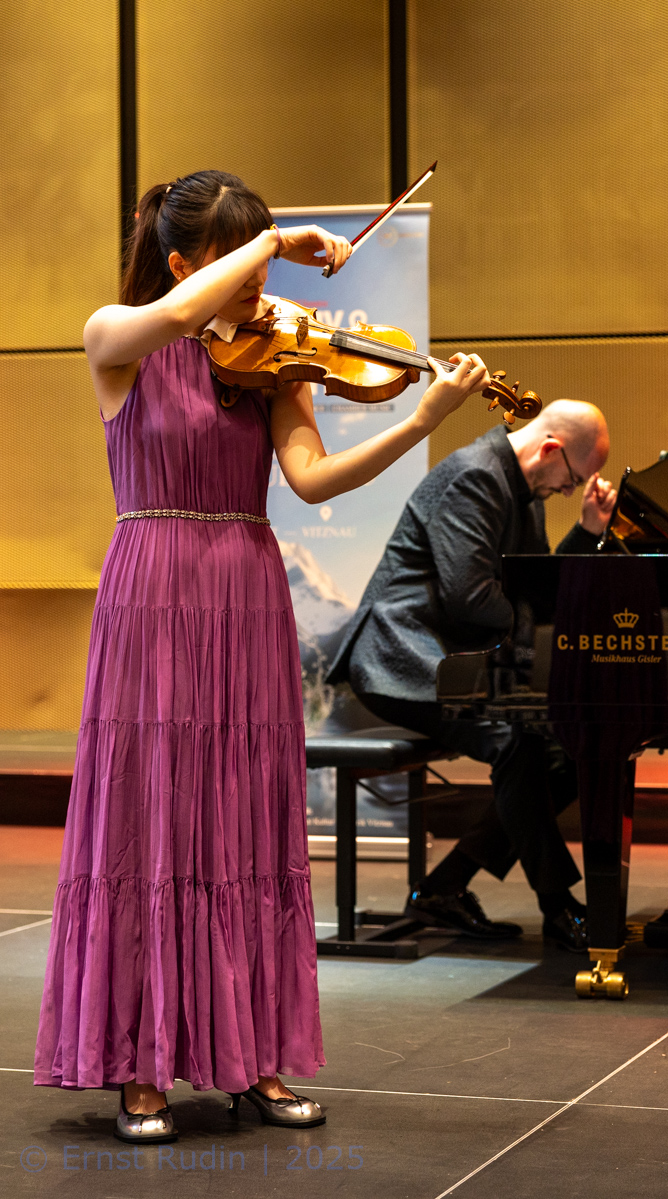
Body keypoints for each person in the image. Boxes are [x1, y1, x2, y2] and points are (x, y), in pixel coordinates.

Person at [32, 170, 492, 1145]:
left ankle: (253, 1055)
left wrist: (419, 422)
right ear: (181, 263)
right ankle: (141, 1062)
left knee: (243, 821)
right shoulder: (116, 335)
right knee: (151, 820)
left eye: (261, 260)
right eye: (236, 260)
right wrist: (276, 242)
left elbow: (312, 478)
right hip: (153, 586)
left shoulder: (272, 356)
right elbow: (176, 316)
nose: (259, 287)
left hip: (245, 587)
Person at [327, 400, 617, 950]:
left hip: (447, 656)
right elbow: (470, 595)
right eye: (572, 480)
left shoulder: (524, 489)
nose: (568, 491)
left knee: (564, 752)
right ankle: (558, 904)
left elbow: (534, 586)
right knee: (515, 738)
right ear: (550, 449)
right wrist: (540, 631)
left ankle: (443, 887)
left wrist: (586, 532)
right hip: (400, 657)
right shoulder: (475, 475)